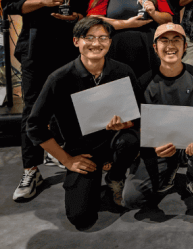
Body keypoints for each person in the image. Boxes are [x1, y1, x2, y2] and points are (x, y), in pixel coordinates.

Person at [2, 0, 96, 202]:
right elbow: (9, 6)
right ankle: (31, 169)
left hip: (71, 54)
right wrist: (42, 1)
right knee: (33, 110)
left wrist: (76, 18)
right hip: (36, 52)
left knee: (71, 109)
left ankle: (64, 154)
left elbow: (90, 16)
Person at [26, 17, 142, 229]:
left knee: (130, 140)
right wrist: (67, 160)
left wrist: (123, 125)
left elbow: (139, 115)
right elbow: (35, 126)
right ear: (76, 41)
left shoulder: (123, 72)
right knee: (81, 218)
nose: (96, 43)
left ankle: (115, 176)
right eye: (89, 38)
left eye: (102, 38)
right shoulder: (59, 79)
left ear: (109, 42)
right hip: (83, 152)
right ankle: (90, 178)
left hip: (116, 142)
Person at [122, 23, 193, 209]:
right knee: (132, 199)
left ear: (185, 47)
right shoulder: (144, 81)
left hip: (189, 143)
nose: (170, 45)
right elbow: (139, 125)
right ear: (155, 47)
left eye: (176, 40)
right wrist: (154, 146)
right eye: (164, 40)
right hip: (158, 146)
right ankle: (169, 167)